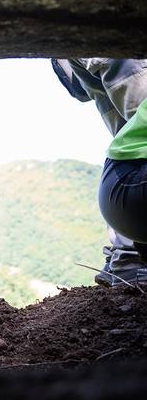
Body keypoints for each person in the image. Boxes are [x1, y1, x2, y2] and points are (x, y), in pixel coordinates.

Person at [52, 58, 147, 287]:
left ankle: (129, 254)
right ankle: (129, 255)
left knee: (131, 125)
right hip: (127, 186)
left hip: (122, 187)